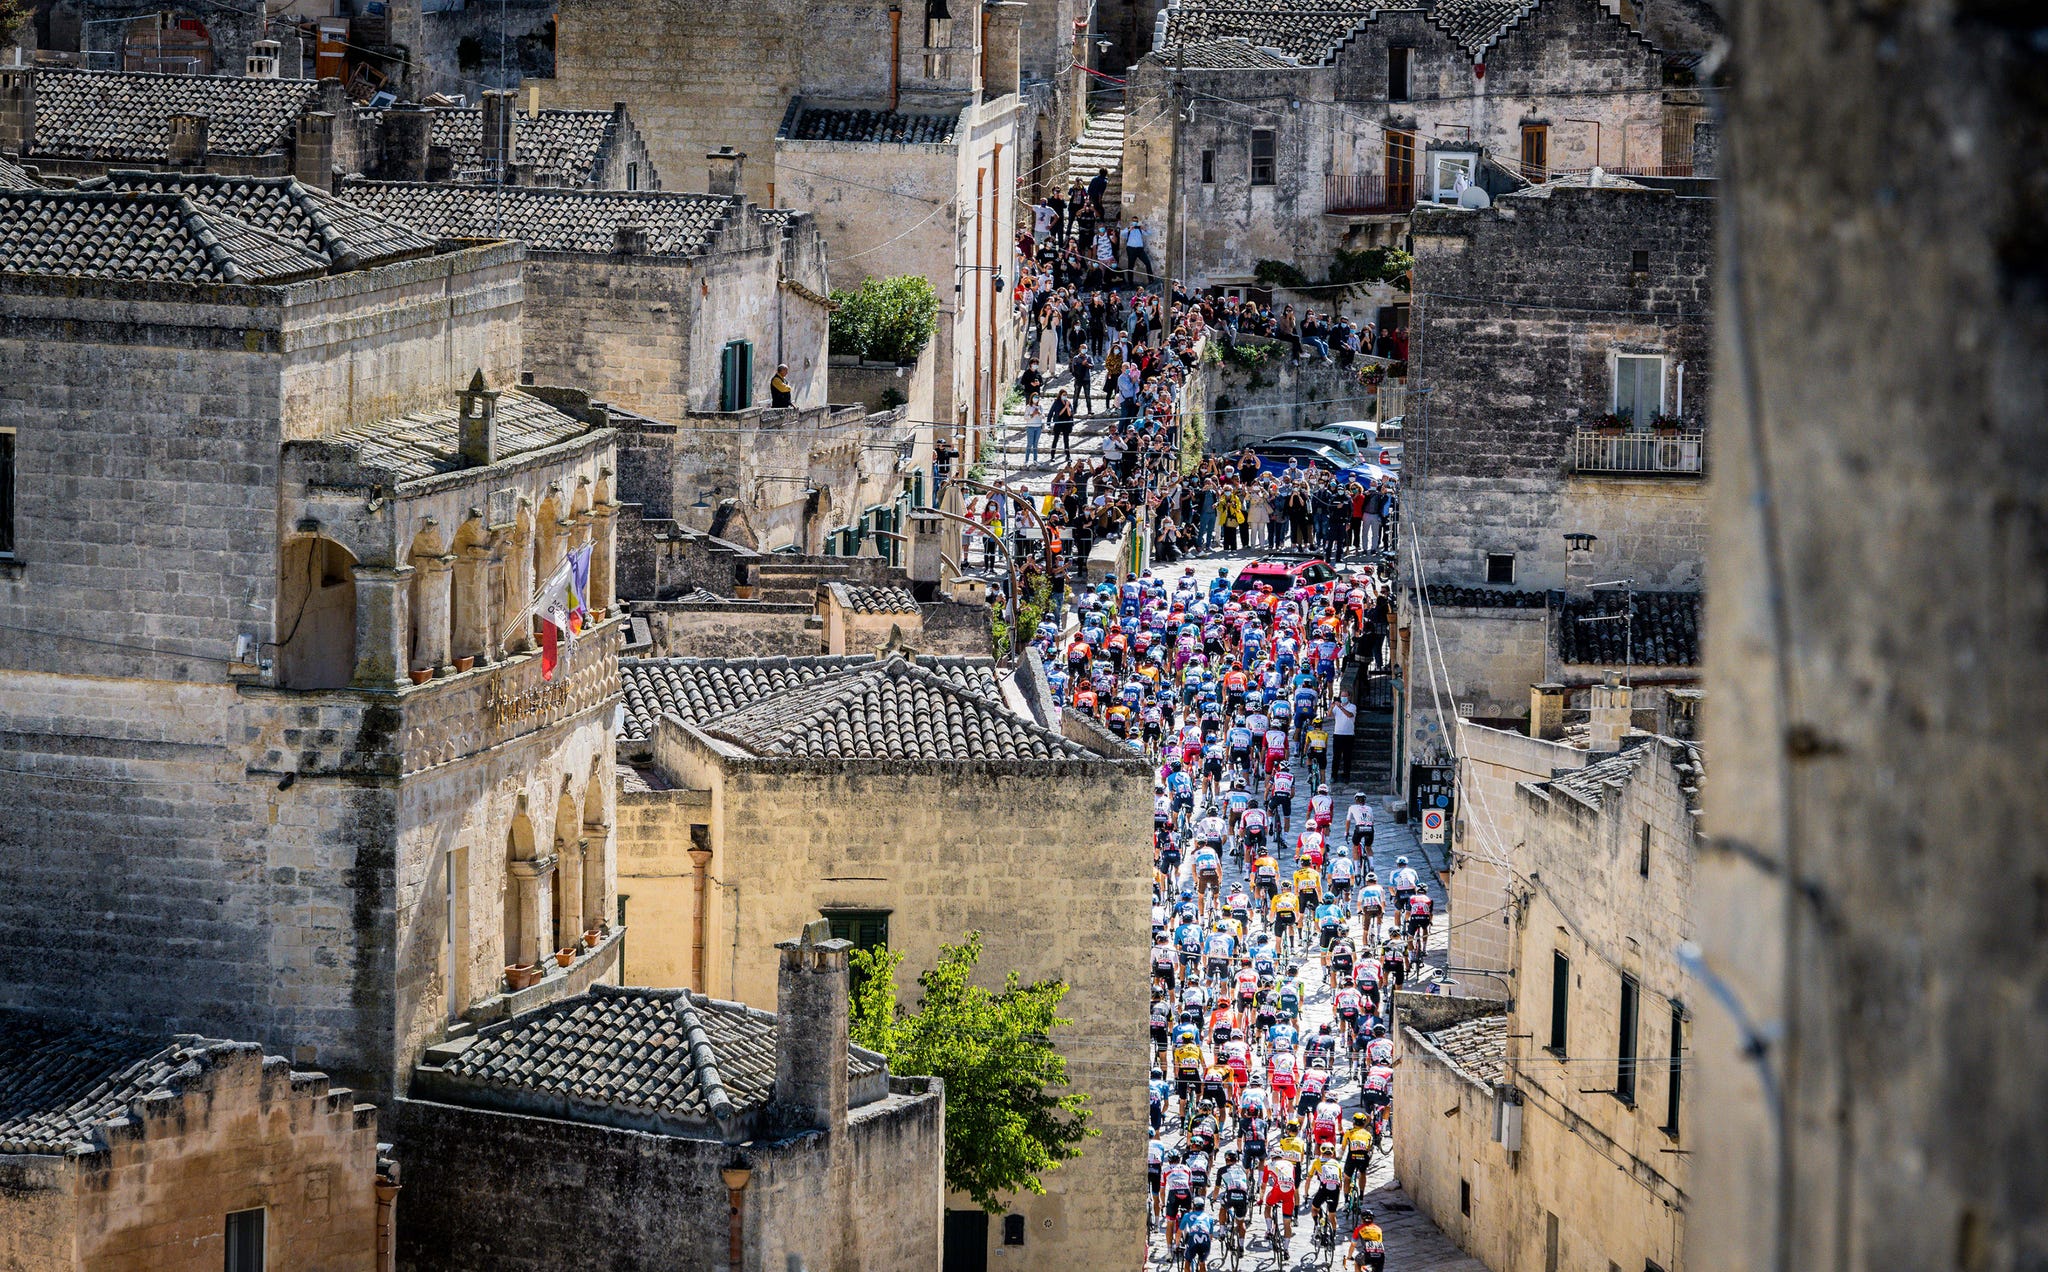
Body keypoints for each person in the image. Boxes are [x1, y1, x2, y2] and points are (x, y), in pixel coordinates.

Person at [1048, 389, 1076, 462]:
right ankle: (1052, 455)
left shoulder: (1068, 403)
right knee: (1056, 439)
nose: (1065, 396)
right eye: (1063, 395)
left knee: (1066, 440)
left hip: (1066, 423)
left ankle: (1068, 456)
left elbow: (1070, 414)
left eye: (1066, 395)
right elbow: (1057, 413)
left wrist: (1067, 406)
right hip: (1059, 423)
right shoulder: (1056, 402)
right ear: (1060, 395)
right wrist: (1049, 422)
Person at [1125, 217, 1155, 283]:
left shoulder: (1140, 230)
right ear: (1131, 221)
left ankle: (1151, 280)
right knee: (1130, 266)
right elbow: (1122, 234)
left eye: (1136, 221)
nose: (1134, 222)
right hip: (1131, 249)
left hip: (1140, 250)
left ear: (1137, 222)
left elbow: (1150, 233)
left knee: (1147, 262)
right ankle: (1130, 282)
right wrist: (1129, 230)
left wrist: (1145, 229)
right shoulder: (1128, 229)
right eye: (1133, 221)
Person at [1022, 397, 1046, 468]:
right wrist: (1033, 414)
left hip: (1038, 427)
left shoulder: (1040, 407)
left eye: (1037, 397)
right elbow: (1025, 417)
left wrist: (1039, 413)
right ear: (1032, 398)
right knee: (1029, 444)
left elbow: (1043, 416)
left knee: (1035, 445)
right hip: (1030, 427)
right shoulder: (1028, 407)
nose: (1036, 399)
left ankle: (1035, 460)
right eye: (1034, 397)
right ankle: (1026, 461)